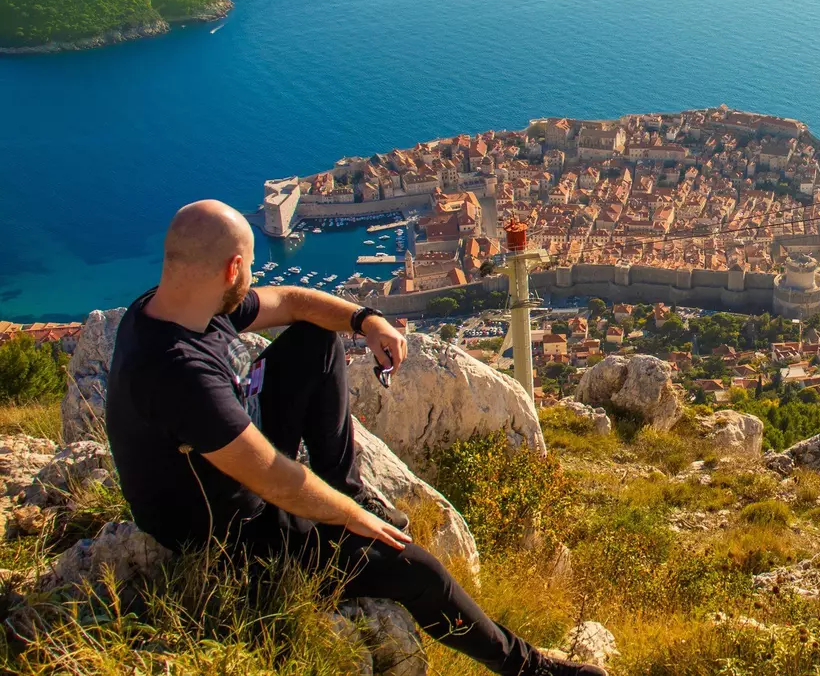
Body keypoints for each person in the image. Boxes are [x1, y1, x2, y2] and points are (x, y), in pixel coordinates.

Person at [105, 200, 603, 676]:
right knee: (416, 570)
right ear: (234, 268)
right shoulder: (179, 374)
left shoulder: (177, 306)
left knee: (317, 337)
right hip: (231, 527)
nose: (256, 278)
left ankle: (346, 483)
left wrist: (367, 321)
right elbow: (274, 480)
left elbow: (294, 301)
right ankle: (526, 667)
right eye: (253, 266)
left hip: (232, 454)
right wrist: (354, 519)